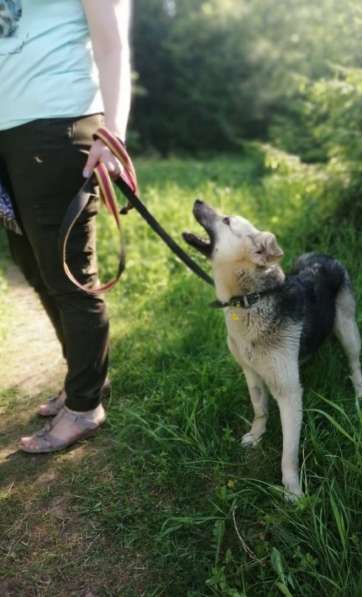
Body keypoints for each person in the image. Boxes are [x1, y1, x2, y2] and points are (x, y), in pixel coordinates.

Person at [0, 0, 132, 452]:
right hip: (8, 135)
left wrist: (113, 134)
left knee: (68, 272)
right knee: (32, 265)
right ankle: (85, 376)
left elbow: (112, 46)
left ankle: (84, 406)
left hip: (57, 126)